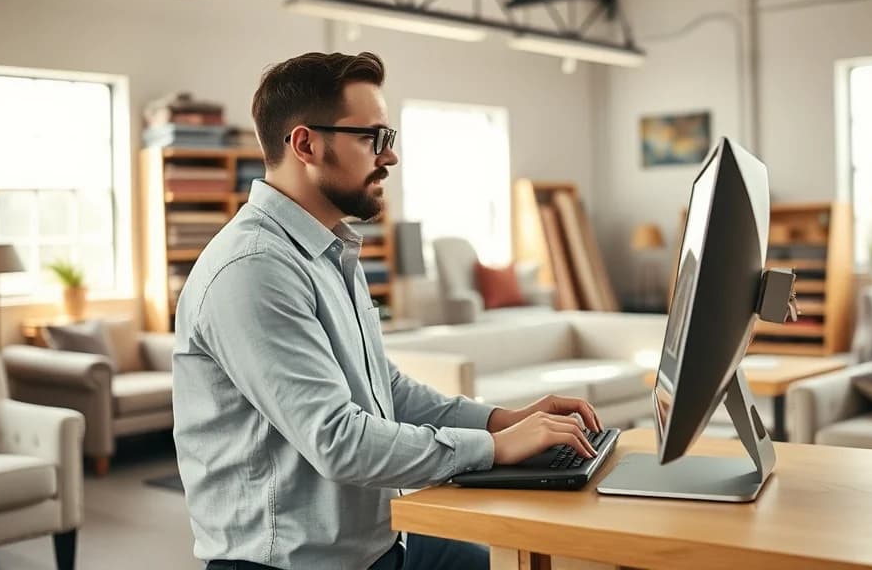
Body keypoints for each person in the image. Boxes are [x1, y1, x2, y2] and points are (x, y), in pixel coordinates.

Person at [172, 51, 603, 570]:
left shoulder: (330, 249)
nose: (390, 157)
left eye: (389, 138)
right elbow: (338, 440)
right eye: (371, 138)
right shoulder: (253, 269)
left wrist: (503, 421)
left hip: (377, 544)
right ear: (305, 144)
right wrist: (494, 448)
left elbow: (386, 392)